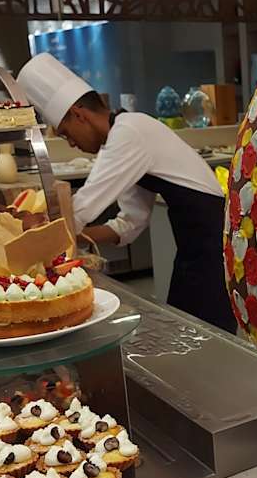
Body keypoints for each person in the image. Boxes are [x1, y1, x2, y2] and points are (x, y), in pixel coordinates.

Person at [18, 52, 235, 332]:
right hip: (195, 248)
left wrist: (36, 240)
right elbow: (131, 222)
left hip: (213, 246)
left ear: (79, 115)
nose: (71, 143)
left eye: (67, 134)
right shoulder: (124, 134)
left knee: (207, 333)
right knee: (187, 328)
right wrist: (77, 238)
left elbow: (81, 209)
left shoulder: (129, 132)